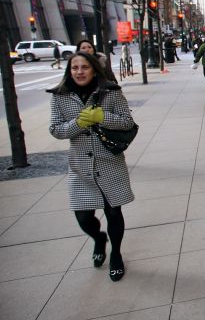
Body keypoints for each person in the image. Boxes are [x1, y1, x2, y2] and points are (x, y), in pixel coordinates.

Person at [47, 51, 135, 282]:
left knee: (113, 211)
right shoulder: (59, 96)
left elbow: (127, 122)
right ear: (69, 71)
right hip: (80, 167)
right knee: (83, 217)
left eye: (84, 67)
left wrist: (102, 117)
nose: (79, 72)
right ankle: (98, 238)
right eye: (75, 68)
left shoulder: (111, 92)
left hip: (109, 164)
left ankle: (116, 254)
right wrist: (78, 123)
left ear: (94, 70)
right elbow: (56, 129)